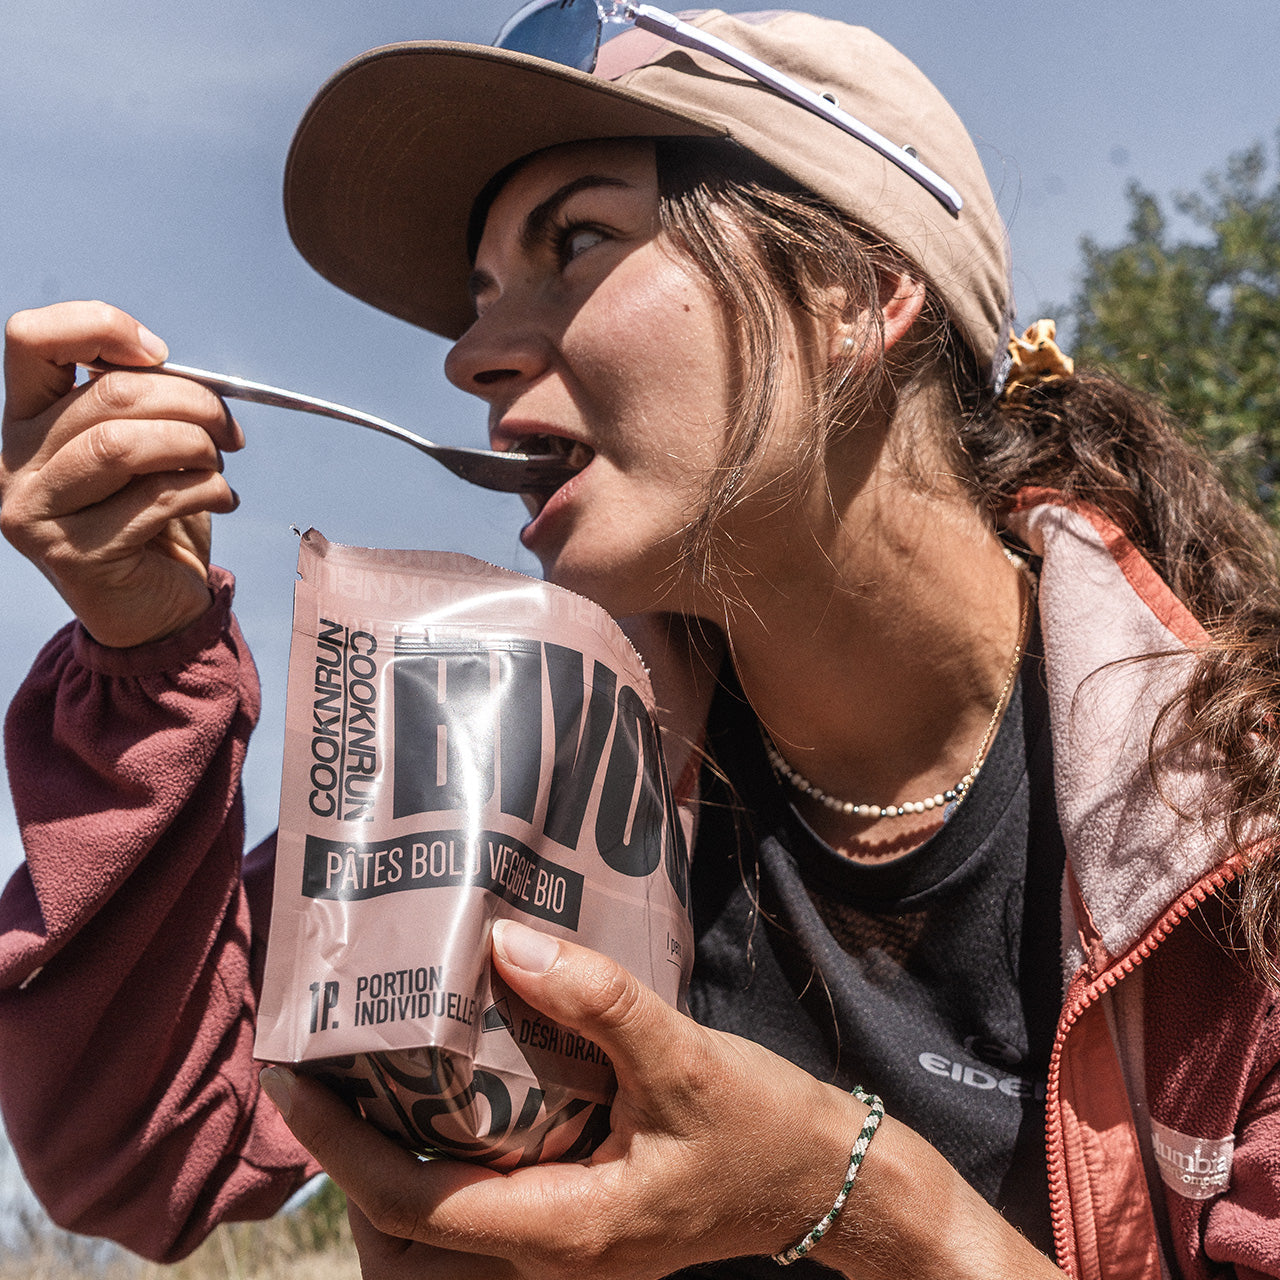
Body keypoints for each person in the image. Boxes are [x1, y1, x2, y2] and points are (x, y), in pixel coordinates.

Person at [2, 7, 1279, 1279]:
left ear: (854, 293)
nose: (466, 357)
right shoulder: (527, 744)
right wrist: (146, 652)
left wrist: (852, 1199)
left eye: (576, 242)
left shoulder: (1232, 819)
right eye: (476, 296)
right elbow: (146, 1150)